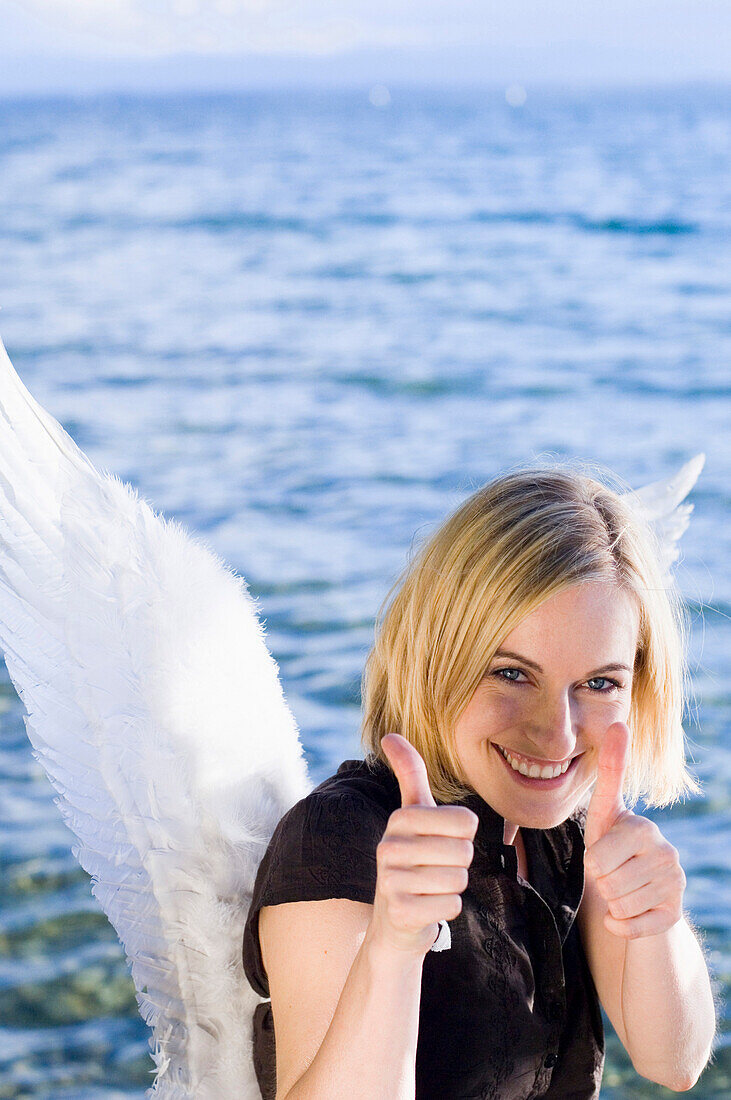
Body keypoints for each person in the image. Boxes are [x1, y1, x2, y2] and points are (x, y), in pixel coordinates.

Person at [242, 464, 717, 1099]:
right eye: (512, 673)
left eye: (599, 684)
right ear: (436, 657)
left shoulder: (568, 833)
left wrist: (656, 917)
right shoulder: (344, 839)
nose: (559, 735)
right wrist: (393, 949)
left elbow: (674, 1061)